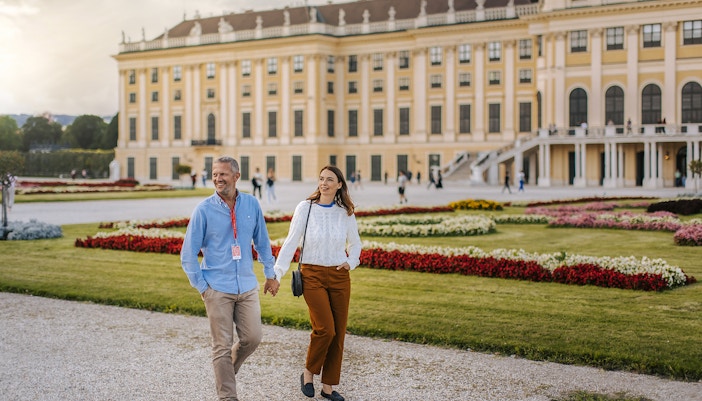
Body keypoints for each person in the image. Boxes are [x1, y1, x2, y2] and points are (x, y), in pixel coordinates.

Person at [180, 156, 279, 401]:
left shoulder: (251, 205)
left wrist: (270, 274)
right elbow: (188, 253)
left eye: (223, 174)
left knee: (253, 338)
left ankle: (225, 374)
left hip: (246, 286)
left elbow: (263, 243)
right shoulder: (203, 209)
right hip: (217, 287)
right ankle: (227, 396)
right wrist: (203, 287)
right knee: (221, 346)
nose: (217, 179)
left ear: (236, 176)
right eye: (214, 174)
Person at [273, 165, 362, 401]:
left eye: (329, 180)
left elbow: (356, 243)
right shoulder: (306, 208)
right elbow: (291, 242)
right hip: (312, 275)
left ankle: (328, 387)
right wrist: (277, 272)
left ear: (339, 185)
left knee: (338, 332)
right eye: (321, 179)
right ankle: (308, 372)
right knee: (325, 329)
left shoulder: (346, 212)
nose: (324, 183)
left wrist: (351, 262)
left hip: (339, 275)